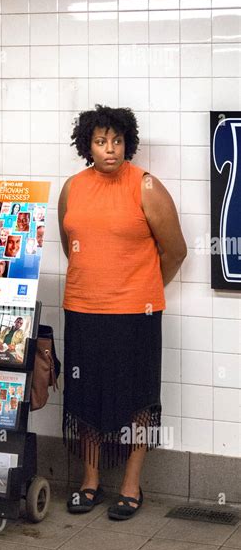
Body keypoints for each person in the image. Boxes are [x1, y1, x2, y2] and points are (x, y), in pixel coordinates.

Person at [59, 105, 187, 520]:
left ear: (127, 143)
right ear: (87, 146)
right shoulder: (72, 187)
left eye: (116, 141)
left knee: (136, 398)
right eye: (100, 141)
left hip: (136, 314)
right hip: (82, 308)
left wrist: (141, 288)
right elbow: (70, 244)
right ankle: (90, 481)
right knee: (85, 396)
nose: (109, 149)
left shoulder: (145, 185)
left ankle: (132, 485)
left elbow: (175, 251)